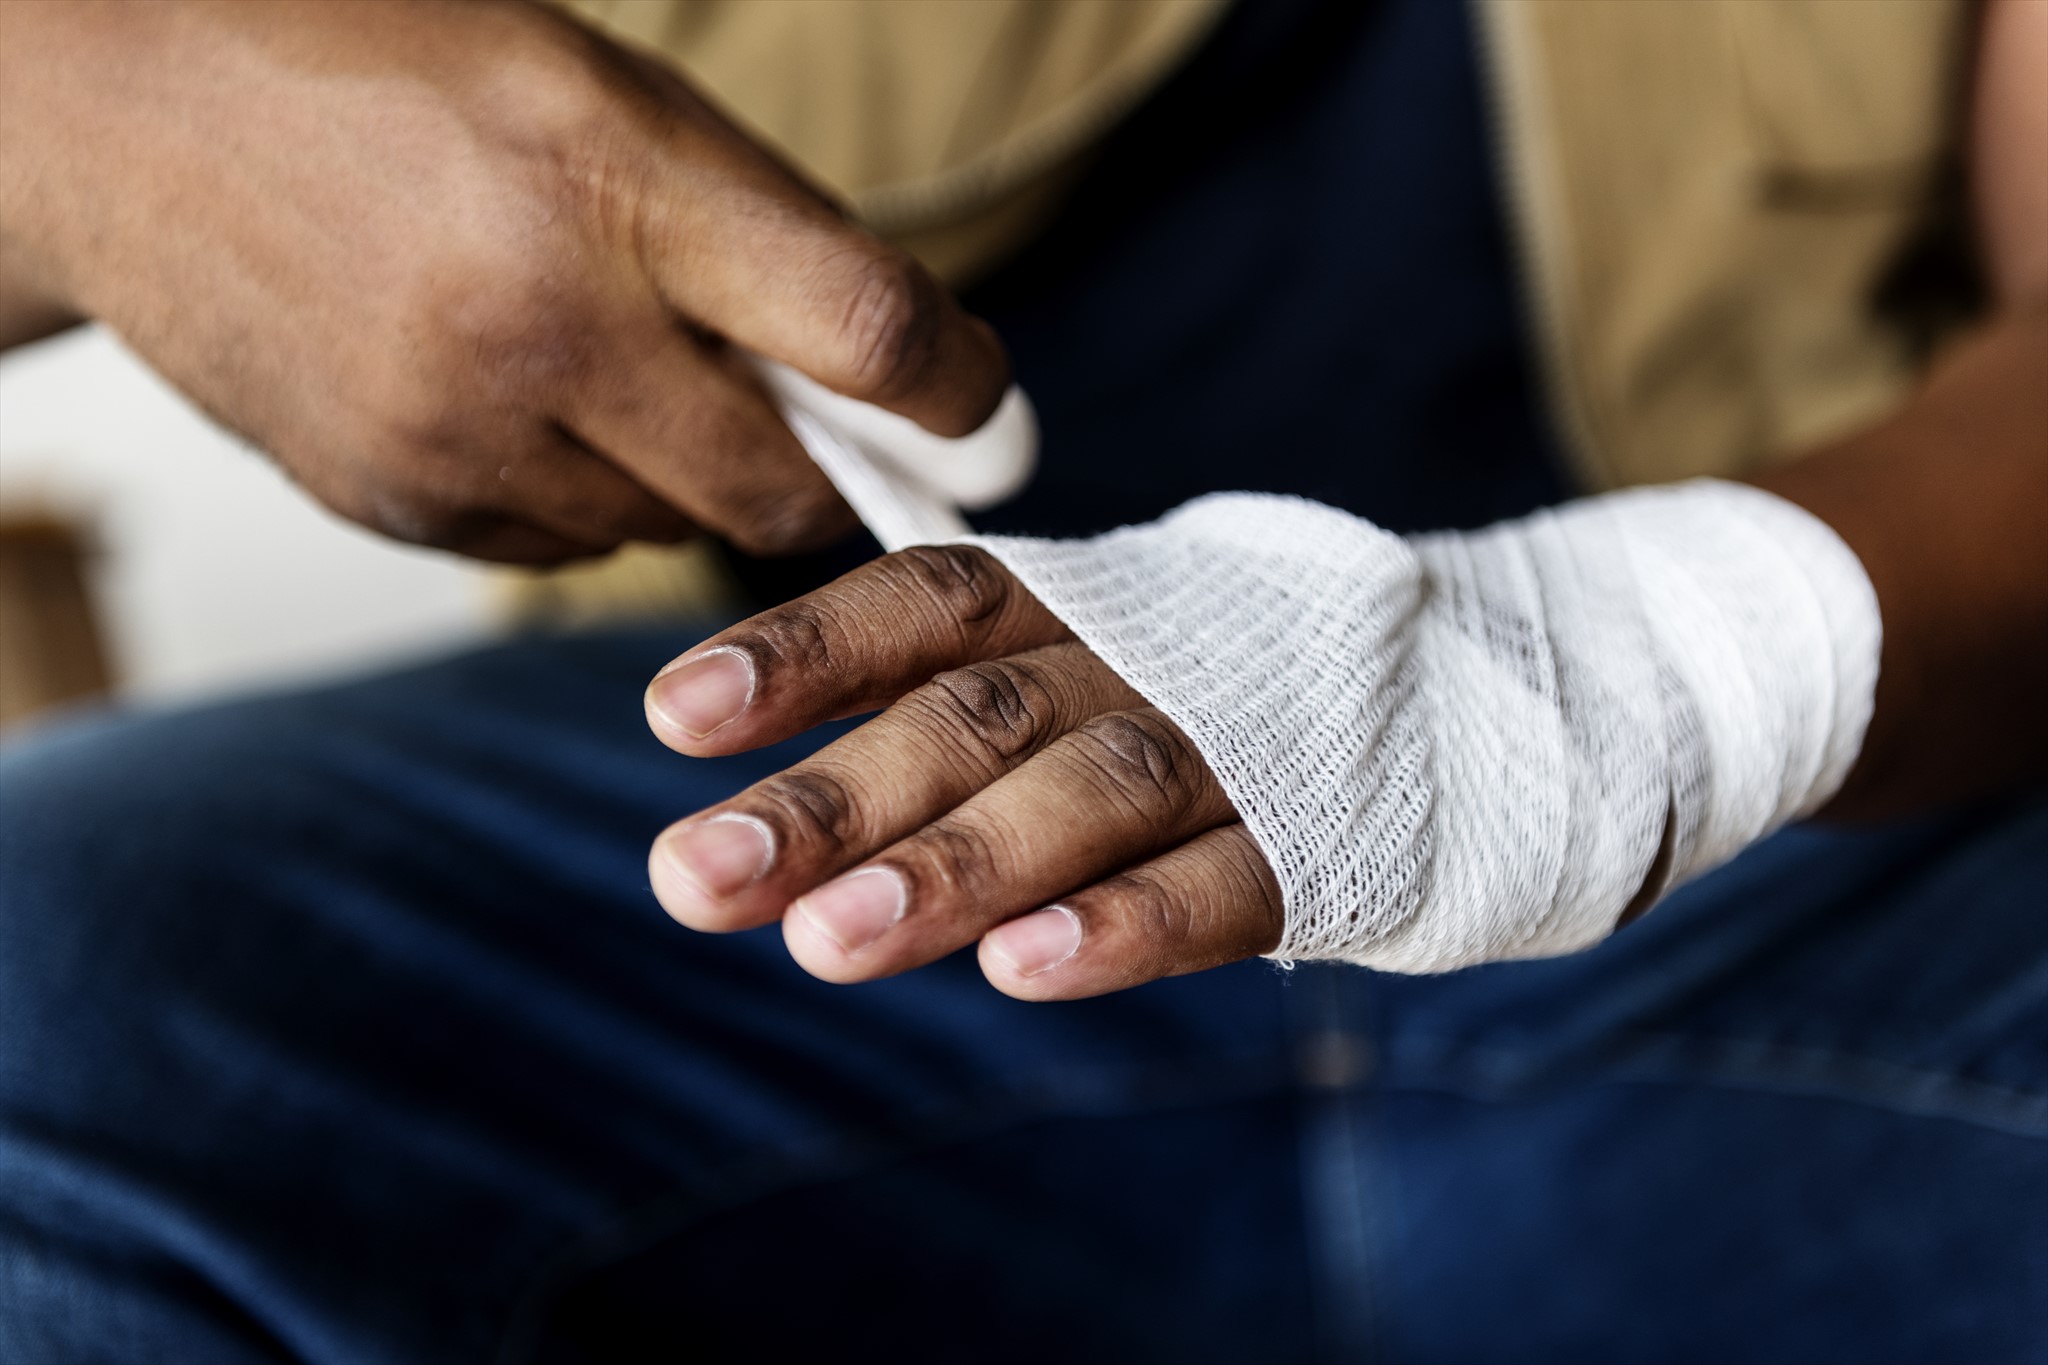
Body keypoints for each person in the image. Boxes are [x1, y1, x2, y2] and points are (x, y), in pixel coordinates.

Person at [2, 0, 2042, 1360]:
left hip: (1823, 833)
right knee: (45, 965)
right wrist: (110, 120)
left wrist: (1592, 672)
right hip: (777, 885)